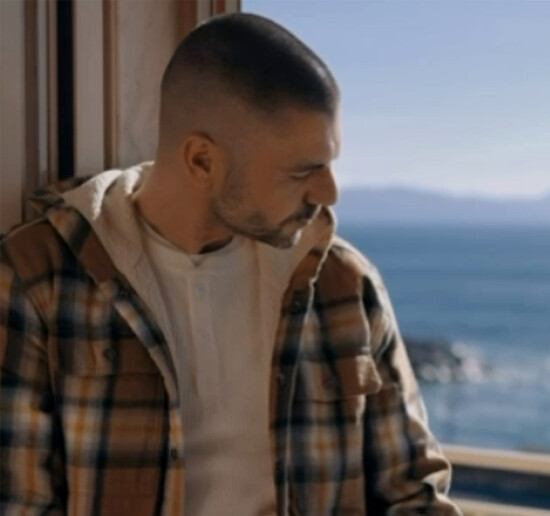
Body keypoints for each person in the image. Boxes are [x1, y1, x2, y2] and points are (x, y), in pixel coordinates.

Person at [0, 13, 460, 516]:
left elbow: (413, 496)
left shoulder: (345, 284)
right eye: (302, 172)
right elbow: (19, 504)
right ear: (201, 160)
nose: (329, 193)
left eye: (330, 163)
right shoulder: (36, 279)